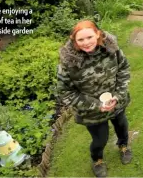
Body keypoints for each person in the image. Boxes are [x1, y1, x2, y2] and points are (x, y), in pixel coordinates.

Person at [56, 20, 132, 177]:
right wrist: (96, 105)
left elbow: (123, 70)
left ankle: (123, 145)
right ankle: (97, 160)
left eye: (89, 37)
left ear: (98, 34)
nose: (86, 42)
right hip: (92, 113)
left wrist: (118, 97)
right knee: (100, 139)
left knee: (122, 126)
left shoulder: (112, 50)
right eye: (80, 40)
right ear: (73, 40)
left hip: (117, 103)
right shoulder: (68, 63)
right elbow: (66, 92)